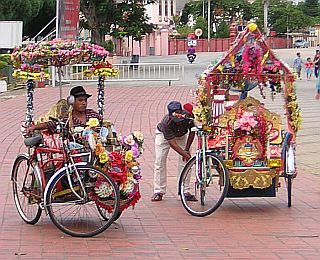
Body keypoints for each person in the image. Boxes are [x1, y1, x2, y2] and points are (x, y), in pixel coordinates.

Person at [151, 101, 195, 202]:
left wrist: (187, 150)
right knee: (160, 161)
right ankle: (159, 191)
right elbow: (173, 144)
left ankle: (184, 190)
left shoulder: (188, 116)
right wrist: (184, 153)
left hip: (181, 135)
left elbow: (192, 131)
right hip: (164, 136)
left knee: (185, 162)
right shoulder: (166, 122)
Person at [26, 86, 102, 135]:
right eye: (80, 100)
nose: (84, 103)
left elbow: (105, 124)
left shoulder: (92, 114)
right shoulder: (67, 118)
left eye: (85, 100)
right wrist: (34, 127)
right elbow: (51, 124)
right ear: (71, 101)